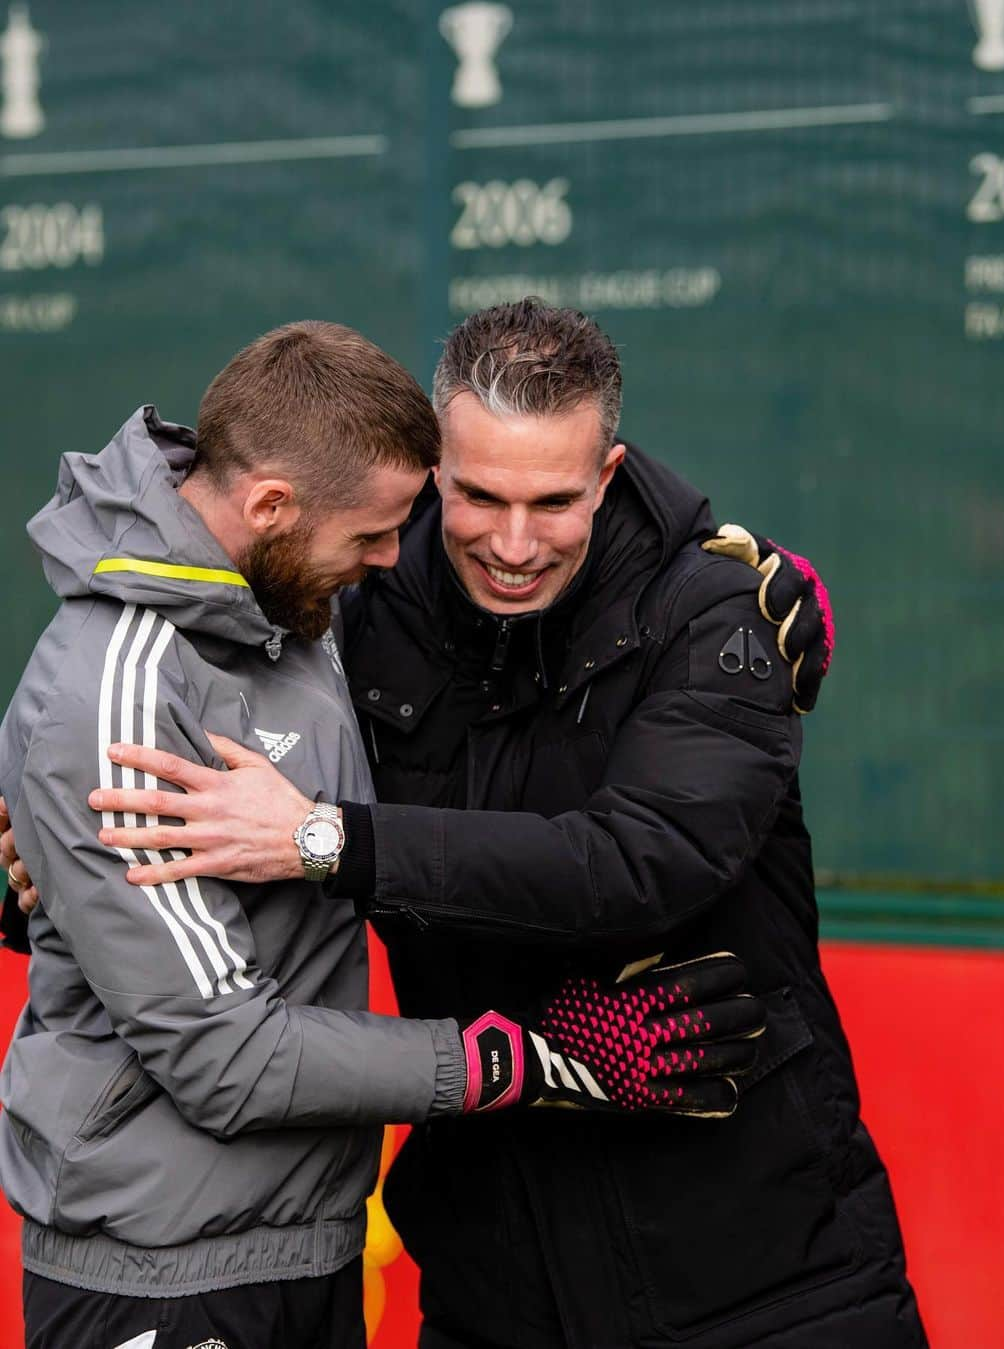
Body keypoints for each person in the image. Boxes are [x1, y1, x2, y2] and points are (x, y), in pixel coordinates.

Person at [42, 298, 927, 1348]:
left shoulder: (718, 612)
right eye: (476, 496)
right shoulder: (358, 607)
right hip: (494, 1286)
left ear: (607, 474)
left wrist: (333, 839)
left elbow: (644, 860)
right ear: (431, 477)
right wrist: (49, 870)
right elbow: (177, 753)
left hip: (768, 1277)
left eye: (553, 500)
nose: (513, 543)